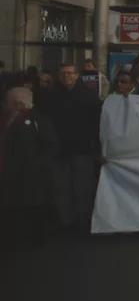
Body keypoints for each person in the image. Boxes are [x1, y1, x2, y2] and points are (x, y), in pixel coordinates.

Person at [0, 87, 58, 248]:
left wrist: (38, 164)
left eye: (9, 101)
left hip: (31, 171)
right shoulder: (6, 119)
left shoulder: (38, 120)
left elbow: (51, 145)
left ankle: (35, 238)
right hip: (10, 171)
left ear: (18, 103)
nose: (6, 104)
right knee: (13, 205)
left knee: (33, 206)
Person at [47, 63, 101, 232]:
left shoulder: (89, 96)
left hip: (82, 149)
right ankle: (66, 222)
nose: (66, 76)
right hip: (59, 149)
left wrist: (96, 148)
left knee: (82, 188)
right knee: (61, 188)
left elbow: (96, 124)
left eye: (70, 73)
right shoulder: (51, 96)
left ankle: (82, 221)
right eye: (63, 73)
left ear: (77, 75)